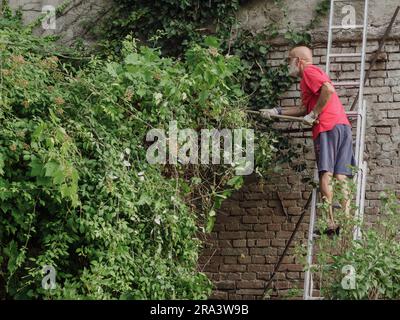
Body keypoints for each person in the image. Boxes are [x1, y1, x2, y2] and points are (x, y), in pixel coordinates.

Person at [262, 46, 356, 235]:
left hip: (327, 126)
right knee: (341, 175)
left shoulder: (309, 72)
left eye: (290, 60)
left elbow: (328, 90)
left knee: (326, 174)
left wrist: (315, 113)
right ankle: (347, 221)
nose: (288, 64)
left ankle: (330, 223)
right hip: (342, 125)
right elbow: (303, 109)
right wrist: (277, 112)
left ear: (299, 61)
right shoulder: (309, 79)